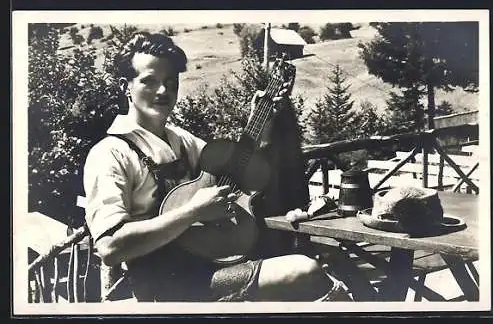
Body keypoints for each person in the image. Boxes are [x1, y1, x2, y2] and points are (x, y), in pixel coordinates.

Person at [83, 31, 351, 302]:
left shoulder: (181, 140)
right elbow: (110, 246)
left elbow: (233, 174)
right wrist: (193, 211)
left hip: (211, 264)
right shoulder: (110, 154)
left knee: (329, 261)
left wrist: (258, 123)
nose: (163, 91)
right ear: (124, 86)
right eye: (149, 82)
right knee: (303, 271)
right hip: (166, 286)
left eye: (170, 81)